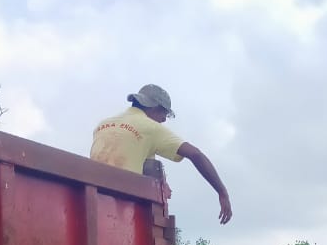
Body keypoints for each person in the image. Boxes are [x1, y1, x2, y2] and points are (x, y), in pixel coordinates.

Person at [91, 84, 232, 224]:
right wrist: (222, 192)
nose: (164, 120)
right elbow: (195, 154)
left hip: (92, 199)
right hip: (123, 205)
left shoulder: (103, 124)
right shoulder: (150, 126)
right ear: (154, 107)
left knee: (148, 157)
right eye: (164, 114)